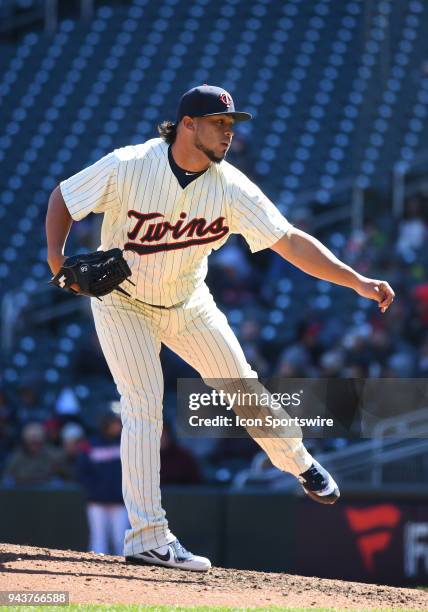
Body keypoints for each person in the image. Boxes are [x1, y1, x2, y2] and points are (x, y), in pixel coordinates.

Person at [45, 85, 395, 572]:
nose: (229, 133)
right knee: (143, 402)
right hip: (123, 302)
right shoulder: (130, 164)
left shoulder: (230, 187)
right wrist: (57, 258)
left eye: (231, 125)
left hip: (188, 303)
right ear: (187, 124)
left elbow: (289, 240)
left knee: (242, 385)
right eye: (219, 123)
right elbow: (64, 194)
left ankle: (299, 462)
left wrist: (355, 280)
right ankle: (148, 537)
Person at [75, 413, 128, 555]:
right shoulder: (90, 444)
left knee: (121, 540)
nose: (117, 426)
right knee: (98, 540)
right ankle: (94, 571)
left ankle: (125, 573)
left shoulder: (128, 442)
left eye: (118, 423)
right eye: (114, 423)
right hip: (97, 501)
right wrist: (95, 490)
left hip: (120, 501)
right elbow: (81, 471)